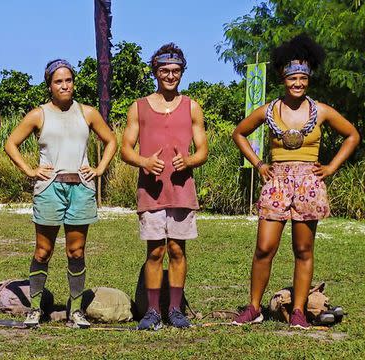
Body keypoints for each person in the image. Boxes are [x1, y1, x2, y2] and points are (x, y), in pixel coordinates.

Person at [231, 34, 359, 329]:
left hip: (308, 184)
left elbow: (352, 135)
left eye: (303, 78)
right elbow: (239, 133)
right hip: (276, 181)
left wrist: (331, 167)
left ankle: (299, 310)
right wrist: (259, 164)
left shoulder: (322, 111)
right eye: (292, 79)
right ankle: (254, 307)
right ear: (282, 78)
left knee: (303, 250)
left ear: (309, 79)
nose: (297, 83)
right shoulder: (268, 110)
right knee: (265, 246)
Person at [5, 59, 117, 328]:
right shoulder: (38, 114)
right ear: (49, 85)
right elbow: (11, 143)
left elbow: (111, 140)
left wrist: (99, 168)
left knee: (76, 251)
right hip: (49, 189)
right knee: (43, 251)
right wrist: (30, 171)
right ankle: (35, 308)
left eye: (68, 80)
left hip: (81, 187)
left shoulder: (87, 113)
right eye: (58, 81)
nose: (64, 85)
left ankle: (75, 311)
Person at [120, 43, 208, 330]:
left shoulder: (192, 106)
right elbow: (125, 149)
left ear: (182, 72)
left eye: (176, 71)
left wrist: (190, 161)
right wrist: (144, 162)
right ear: (155, 72)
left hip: (182, 191)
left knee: (178, 250)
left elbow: (203, 150)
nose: (170, 76)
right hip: (152, 191)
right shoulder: (139, 107)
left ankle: (175, 309)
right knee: (155, 251)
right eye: (164, 71)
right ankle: (153, 311)